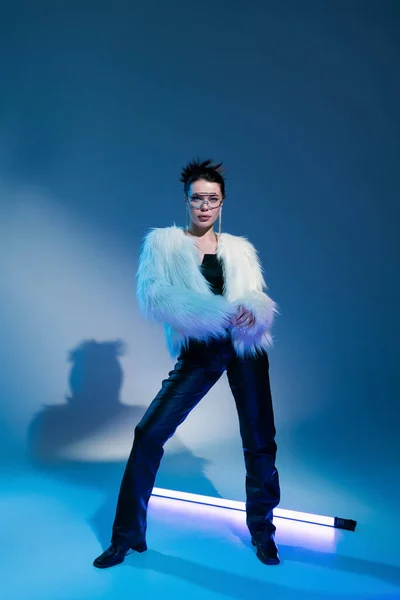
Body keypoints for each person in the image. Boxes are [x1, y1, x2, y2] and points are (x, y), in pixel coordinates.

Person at [93, 158, 281, 568]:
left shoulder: (239, 250)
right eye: (197, 198)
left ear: (222, 204)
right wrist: (218, 313)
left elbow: (257, 298)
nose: (204, 206)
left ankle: (264, 533)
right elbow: (156, 297)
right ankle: (126, 537)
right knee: (148, 434)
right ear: (186, 201)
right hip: (200, 350)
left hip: (245, 348)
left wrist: (252, 310)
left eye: (212, 199)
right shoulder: (164, 245)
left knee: (260, 440)